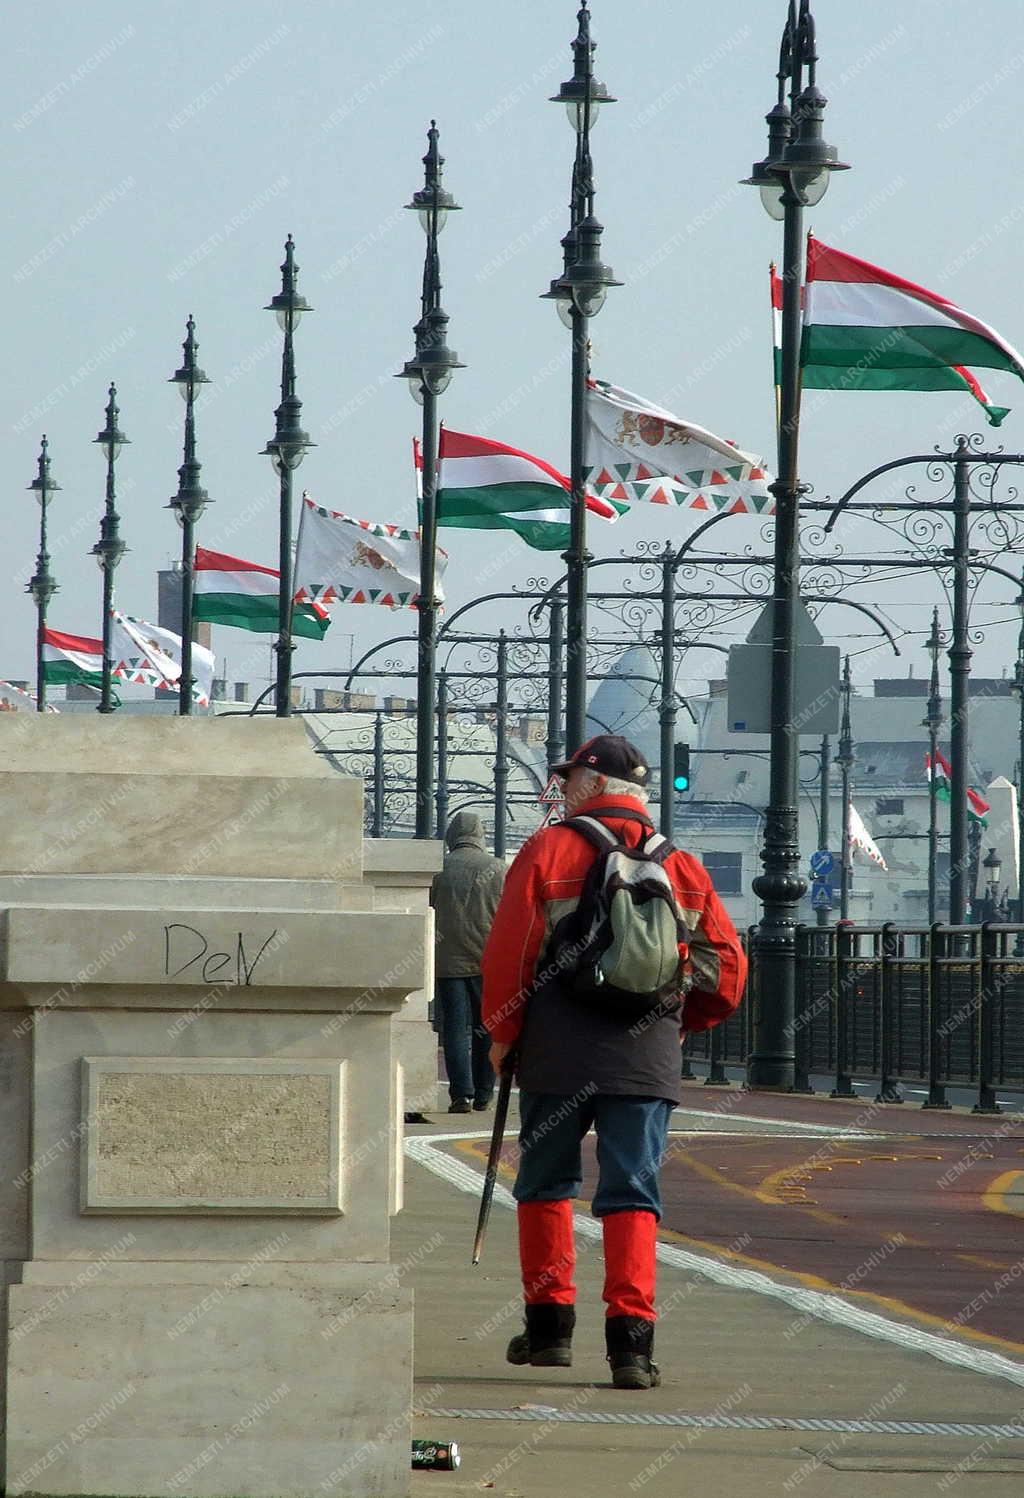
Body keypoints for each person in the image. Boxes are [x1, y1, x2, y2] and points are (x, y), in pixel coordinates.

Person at [481, 734, 746, 1389]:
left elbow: (510, 953)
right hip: (645, 1053)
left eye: (570, 778)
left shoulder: (548, 848)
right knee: (633, 1191)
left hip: (556, 1050)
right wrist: (684, 1023)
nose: (562, 787)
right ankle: (631, 1345)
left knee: (544, 1183)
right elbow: (728, 970)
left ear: (593, 786)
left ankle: (549, 1333)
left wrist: (503, 1032)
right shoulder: (680, 864)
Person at [430, 810, 507, 1114]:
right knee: (486, 1028)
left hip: (447, 962)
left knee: (455, 1030)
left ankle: (460, 1095)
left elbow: (428, 907)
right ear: (480, 835)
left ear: (452, 835)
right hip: (486, 962)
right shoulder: (498, 869)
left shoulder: (438, 869)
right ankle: (485, 1093)